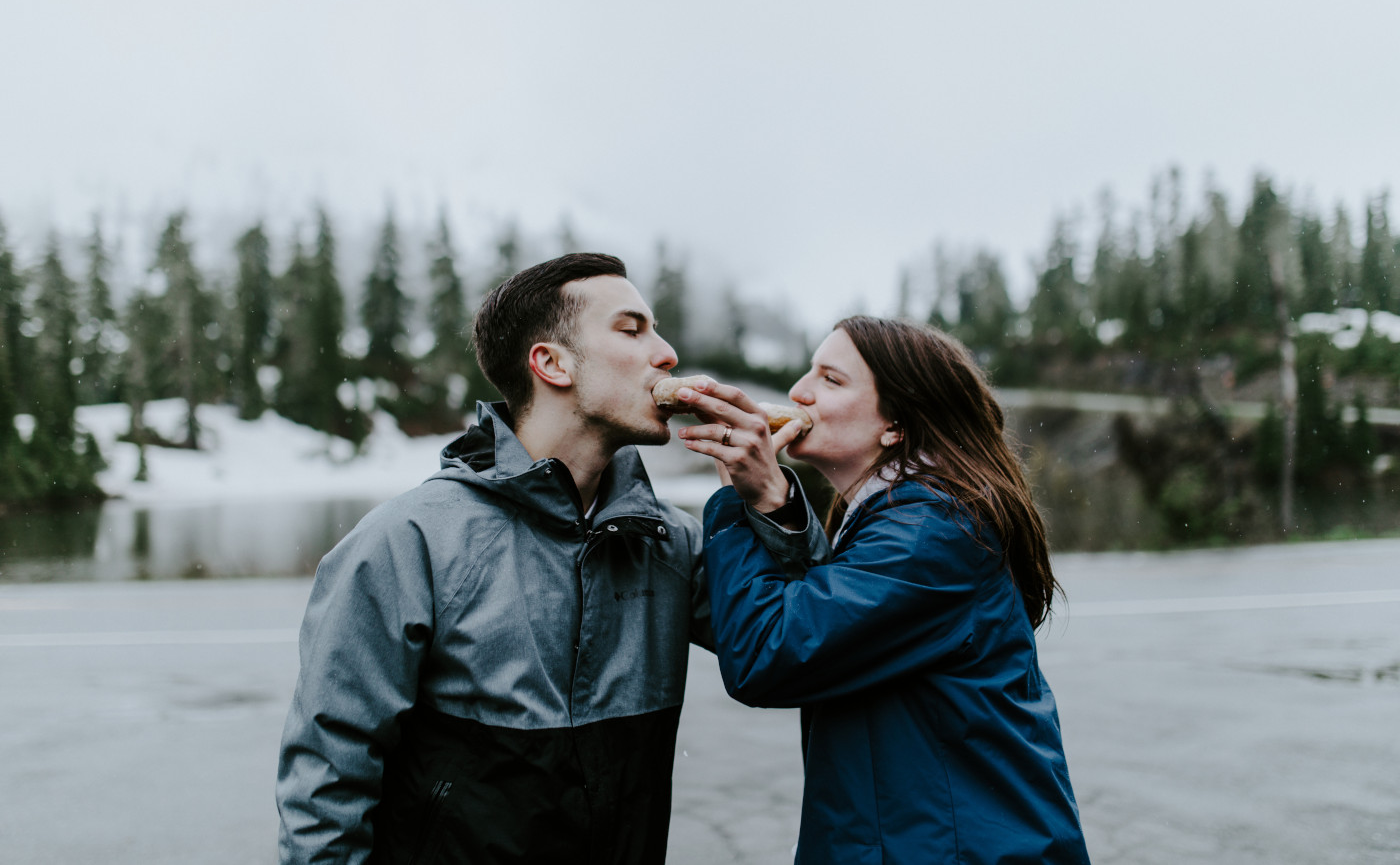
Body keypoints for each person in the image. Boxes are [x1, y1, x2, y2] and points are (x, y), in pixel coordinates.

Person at [276, 253, 713, 865]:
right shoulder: (407, 541)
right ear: (551, 363)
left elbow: (794, 652)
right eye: (631, 328)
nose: (665, 353)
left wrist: (766, 502)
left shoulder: (673, 543)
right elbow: (328, 783)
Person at [675, 315, 1091, 865]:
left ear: (895, 425)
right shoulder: (902, 517)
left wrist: (736, 501)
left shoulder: (932, 529)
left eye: (831, 379)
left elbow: (768, 655)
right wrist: (776, 505)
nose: (799, 392)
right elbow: (823, 618)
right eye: (809, 372)